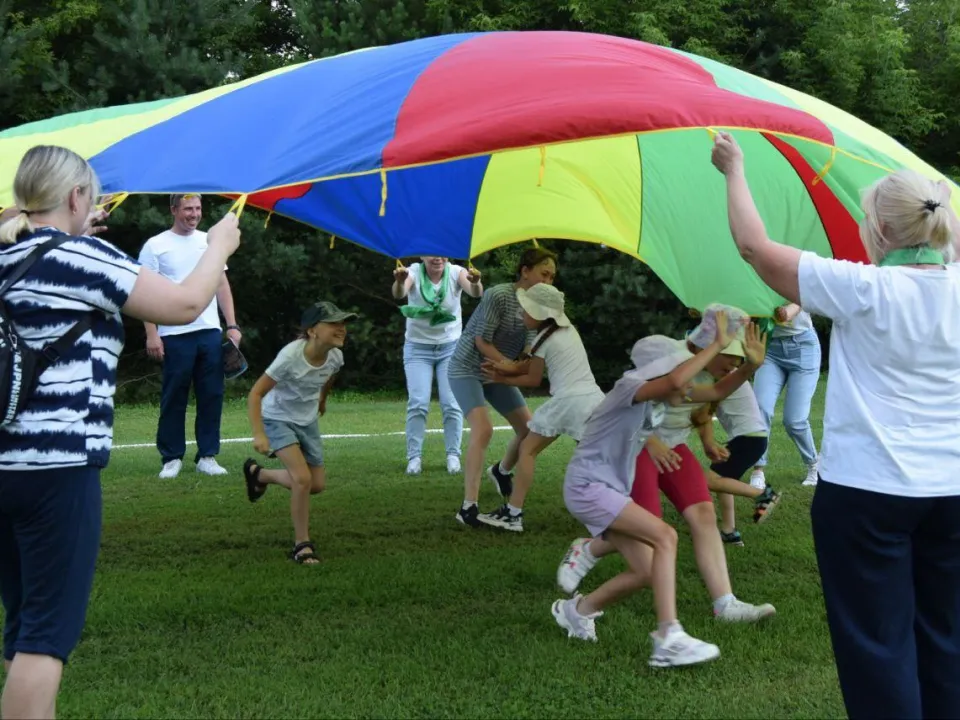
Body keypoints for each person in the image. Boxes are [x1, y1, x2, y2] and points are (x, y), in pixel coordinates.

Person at [713, 130, 960, 719]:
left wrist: (734, 168)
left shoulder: (861, 287)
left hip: (867, 496)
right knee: (948, 641)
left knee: (878, 650)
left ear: (876, 233)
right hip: (952, 494)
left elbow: (753, 246)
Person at [0, 145, 240, 719]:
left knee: (25, 623)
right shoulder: (85, 258)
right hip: (57, 471)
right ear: (77, 196)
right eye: (91, 196)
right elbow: (183, 304)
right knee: (45, 638)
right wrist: (218, 246)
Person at [558, 307, 777, 623]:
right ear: (707, 345)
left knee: (702, 513)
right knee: (650, 531)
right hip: (641, 447)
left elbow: (710, 396)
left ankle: (725, 604)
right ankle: (591, 551)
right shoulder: (666, 358)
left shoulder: (713, 371)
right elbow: (621, 410)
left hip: (672, 447)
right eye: (732, 354)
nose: (735, 363)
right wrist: (651, 442)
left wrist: (750, 368)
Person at [551, 320, 741, 667]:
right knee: (665, 535)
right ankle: (669, 636)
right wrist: (716, 345)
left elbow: (713, 393)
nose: (687, 386)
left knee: (647, 571)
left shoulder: (656, 402)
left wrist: (752, 364)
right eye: (681, 373)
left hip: (606, 489)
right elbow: (673, 381)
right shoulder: (629, 386)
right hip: (588, 487)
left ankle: (577, 610)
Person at [476, 284, 604, 532]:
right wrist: (506, 369)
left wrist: (502, 379)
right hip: (593, 399)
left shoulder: (543, 342)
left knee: (528, 449)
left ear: (540, 314)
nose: (521, 315)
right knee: (593, 460)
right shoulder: (567, 331)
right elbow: (527, 367)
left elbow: (532, 379)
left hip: (567, 401)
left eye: (525, 310)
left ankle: (513, 513)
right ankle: (610, 509)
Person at [446, 247, 557, 527]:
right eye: (544, 274)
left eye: (553, 277)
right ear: (525, 271)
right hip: (468, 369)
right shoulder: (499, 295)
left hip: (498, 373)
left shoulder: (539, 305)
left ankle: (501, 470)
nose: (549, 281)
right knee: (483, 429)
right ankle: (468, 507)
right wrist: (508, 365)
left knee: (530, 431)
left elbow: (530, 347)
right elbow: (481, 341)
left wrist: (520, 366)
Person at [243, 301, 355, 565]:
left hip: (307, 421)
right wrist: (259, 433)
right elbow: (256, 393)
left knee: (317, 485)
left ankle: (259, 474)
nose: (342, 329)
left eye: (343, 324)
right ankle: (302, 545)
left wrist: (322, 400)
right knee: (302, 479)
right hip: (277, 418)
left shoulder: (336, 355)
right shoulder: (289, 357)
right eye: (334, 324)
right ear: (313, 330)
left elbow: (329, 376)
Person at [138, 194, 242, 479]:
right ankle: (171, 458)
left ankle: (207, 456)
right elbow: (144, 293)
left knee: (212, 394)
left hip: (208, 331)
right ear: (173, 210)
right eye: (187, 209)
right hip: (173, 333)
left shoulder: (210, 241)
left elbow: (221, 284)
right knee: (174, 397)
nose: (193, 214)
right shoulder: (155, 246)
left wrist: (232, 326)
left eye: (197, 208)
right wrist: (152, 334)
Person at [391, 256, 483, 475]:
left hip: (450, 348)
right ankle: (414, 458)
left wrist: (477, 281)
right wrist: (399, 280)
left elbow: (475, 292)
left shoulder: (455, 272)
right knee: (418, 403)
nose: (438, 258)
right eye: (431, 254)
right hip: (417, 349)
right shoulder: (412, 271)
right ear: (423, 256)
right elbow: (400, 293)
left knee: (451, 404)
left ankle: (453, 455)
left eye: (442, 253)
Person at [691, 381, 780, 546]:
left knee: (709, 480)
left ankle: (762, 494)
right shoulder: (734, 375)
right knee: (723, 479)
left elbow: (703, 412)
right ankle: (729, 531)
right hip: (753, 438)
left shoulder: (718, 377)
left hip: (747, 439)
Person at [749, 302, 821, 489]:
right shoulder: (758, 275)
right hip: (771, 348)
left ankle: (814, 463)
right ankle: (758, 470)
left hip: (803, 347)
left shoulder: (794, 274)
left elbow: (800, 295)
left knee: (794, 420)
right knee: (760, 409)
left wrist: (789, 310)